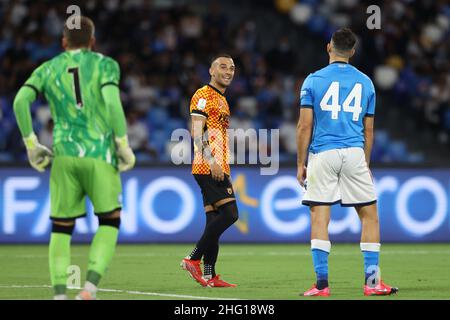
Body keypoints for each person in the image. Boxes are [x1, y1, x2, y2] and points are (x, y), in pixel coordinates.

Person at [13, 16, 135, 300]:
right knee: (109, 220)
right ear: (92, 42)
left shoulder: (47, 68)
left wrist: (31, 144)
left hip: (64, 156)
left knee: (61, 228)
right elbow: (113, 103)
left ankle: (59, 295)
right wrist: (123, 143)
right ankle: (89, 288)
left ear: (63, 42)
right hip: (99, 155)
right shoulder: (105, 64)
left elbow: (20, 101)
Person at [296, 28, 398, 297]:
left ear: (329, 47)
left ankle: (321, 285)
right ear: (352, 51)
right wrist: (365, 163)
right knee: (370, 217)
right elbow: (369, 130)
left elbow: (304, 126)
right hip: (354, 152)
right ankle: (373, 283)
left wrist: (300, 163)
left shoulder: (312, 80)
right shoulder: (366, 82)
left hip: (322, 153)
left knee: (320, 216)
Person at [180, 54, 239, 288]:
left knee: (214, 220)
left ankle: (209, 275)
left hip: (218, 165)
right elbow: (196, 131)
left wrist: (223, 164)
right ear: (211, 71)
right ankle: (192, 258)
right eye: (223, 67)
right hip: (208, 165)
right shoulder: (203, 95)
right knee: (230, 214)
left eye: (232, 68)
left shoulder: (222, 100)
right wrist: (213, 160)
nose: (228, 71)